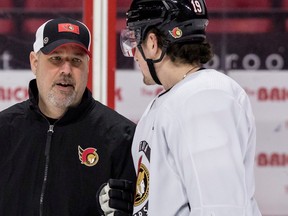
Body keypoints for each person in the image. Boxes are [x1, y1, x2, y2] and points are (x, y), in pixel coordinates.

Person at [118, 0, 262, 215]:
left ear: (152, 42)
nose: (135, 54)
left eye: (134, 38)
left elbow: (220, 208)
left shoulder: (203, 98)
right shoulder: (176, 98)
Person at [0, 17, 136, 216]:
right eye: (56, 58)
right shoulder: (4, 130)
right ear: (34, 62)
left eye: (76, 60)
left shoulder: (120, 137)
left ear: (88, 66)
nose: (66, 70)